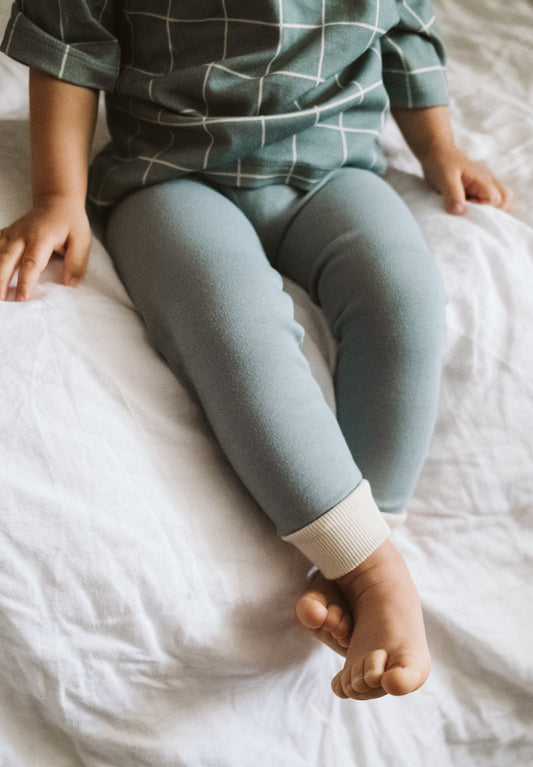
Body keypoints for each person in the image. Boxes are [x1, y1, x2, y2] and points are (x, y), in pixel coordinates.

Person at [0, 1, 511, 701]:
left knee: (404, 303)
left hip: (334, 167)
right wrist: (60, 193)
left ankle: (359, 545)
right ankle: (373, 572)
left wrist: (437, 148)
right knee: (227, 320)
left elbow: (407, 32)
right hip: (172, 174)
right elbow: (67, 36)